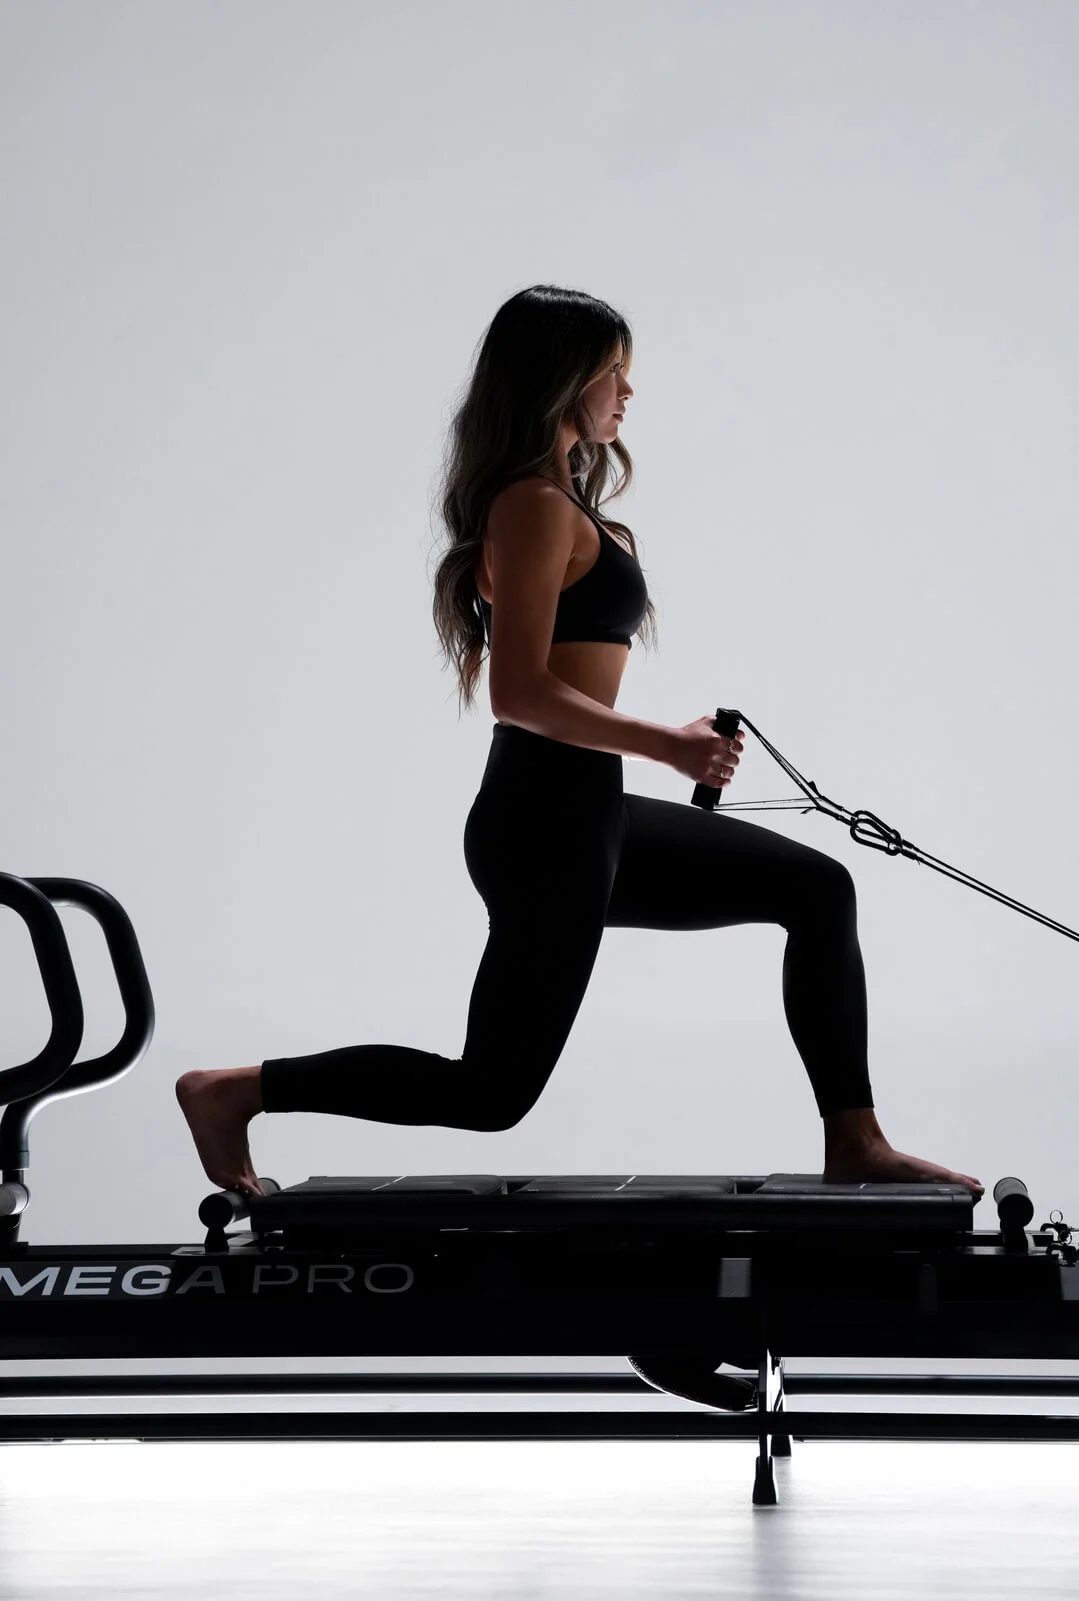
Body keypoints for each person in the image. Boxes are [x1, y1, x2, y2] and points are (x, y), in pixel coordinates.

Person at [177, 284, 983, 1204]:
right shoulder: (531, 504)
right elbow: (516, 692)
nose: (627, 395)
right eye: (614, 375)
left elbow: (560, 678)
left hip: (585, 815)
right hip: (543, 822)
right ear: (562, 381)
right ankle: (234, 1089)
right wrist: (666, 746)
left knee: (815, 886)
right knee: (489, 1092)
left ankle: (857, 1141)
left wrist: (656, 745)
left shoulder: (562, 504)